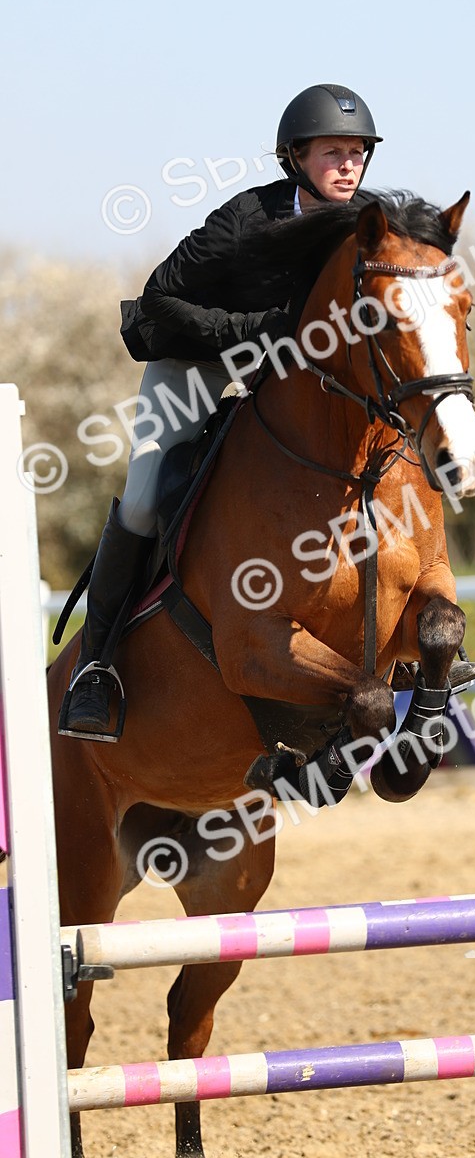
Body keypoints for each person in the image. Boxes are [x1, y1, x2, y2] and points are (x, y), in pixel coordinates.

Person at [60, 84, 382, 740]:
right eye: (333, 153)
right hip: (197, 365)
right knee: (146, 501)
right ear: (295, 157)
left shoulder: (373, 218)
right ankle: (95, 669)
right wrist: (257, 330)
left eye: (357, 153)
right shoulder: (246, 220)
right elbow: (159, 299)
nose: (348, 165)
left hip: (295, 378)